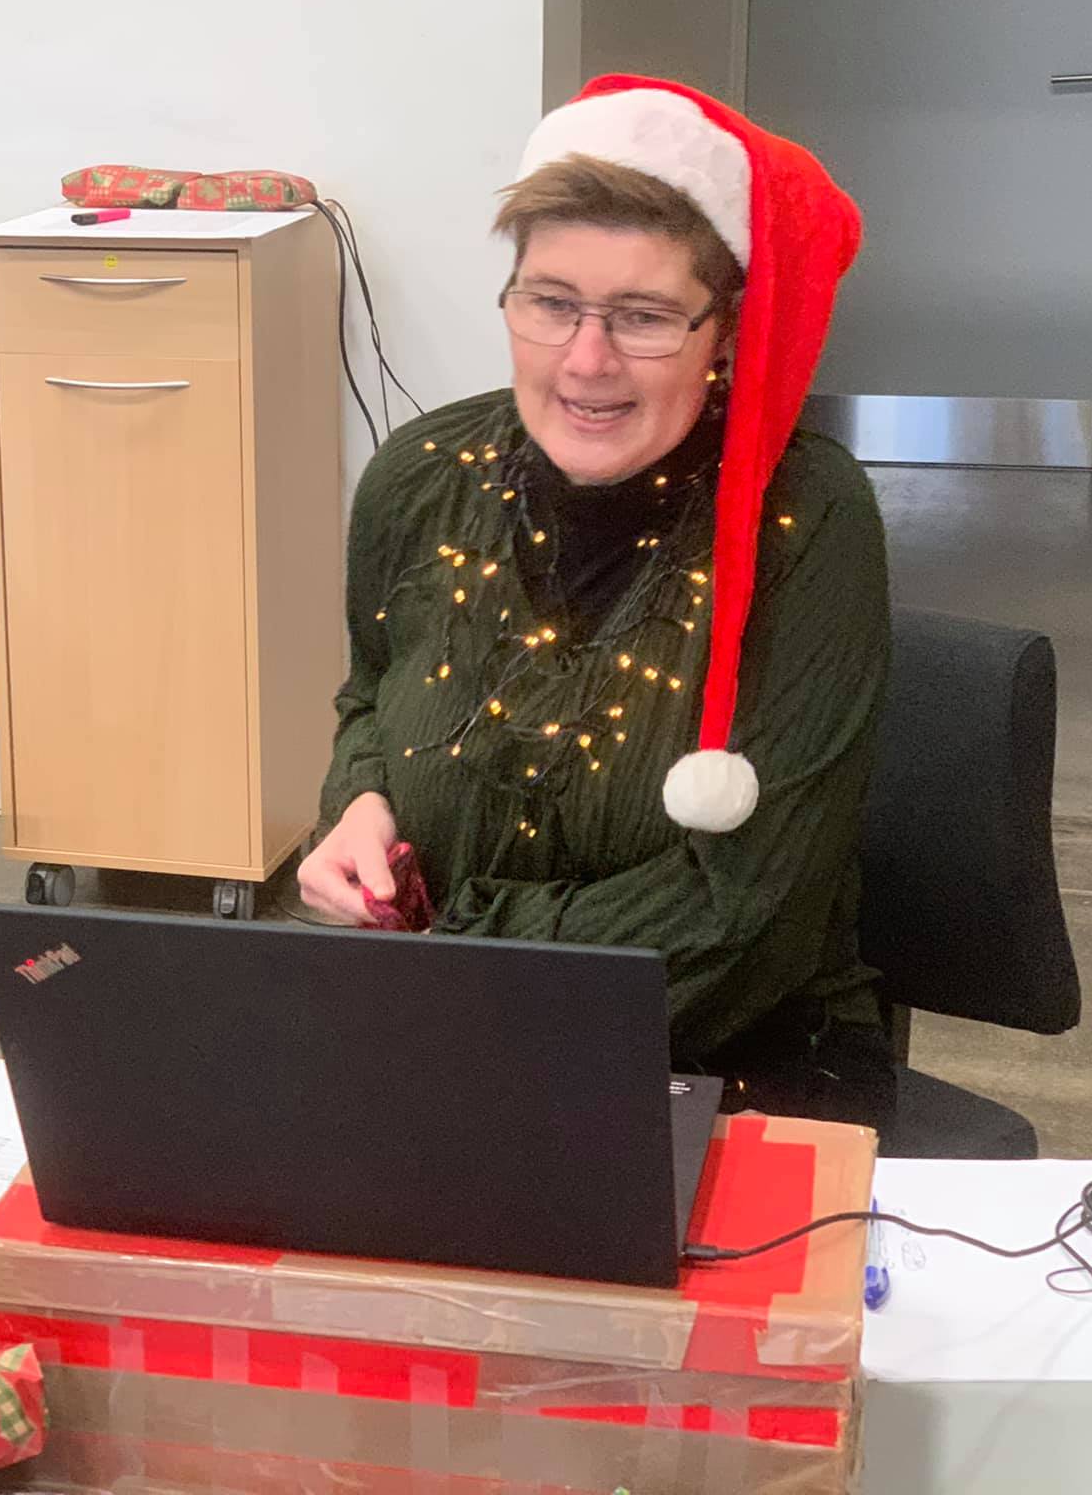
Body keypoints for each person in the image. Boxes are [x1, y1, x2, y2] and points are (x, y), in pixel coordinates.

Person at [297, 76, 896, 1130]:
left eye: (643, 317)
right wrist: (360, 807)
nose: (585, 360)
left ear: (722, 332)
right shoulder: (419, 477)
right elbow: (369, 700)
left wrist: (452, 954)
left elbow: (750, 912)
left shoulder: (806, 517)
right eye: (550, 302)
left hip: (721, 1056)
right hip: (435, 1026)